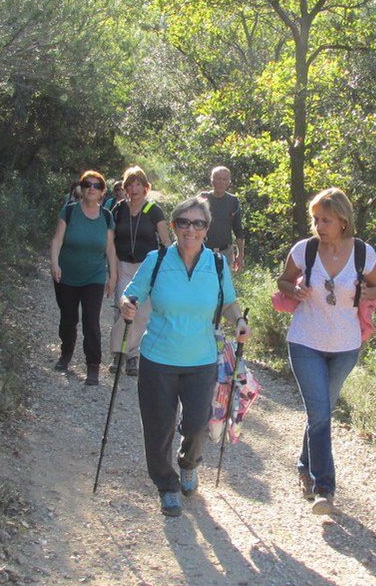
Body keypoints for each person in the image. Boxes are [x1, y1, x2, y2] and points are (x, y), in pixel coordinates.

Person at [120, 197, 252, 517]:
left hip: (201, 360)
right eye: (184, 222)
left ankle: (188, 463)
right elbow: (131, 293)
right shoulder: (158, 259)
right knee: (159, 427)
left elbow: (229, 303)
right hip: (158, 359)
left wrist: (240, 322)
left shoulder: (218, 265)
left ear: (207, 229)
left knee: (196, 426)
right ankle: (166, 484)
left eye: (198, 223)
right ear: (175, 225)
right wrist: (127, 304)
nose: (191, 229)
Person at [275, 187, 376, 515]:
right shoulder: (304, 250)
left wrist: (368, 289)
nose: (318, 226)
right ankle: (324, 487)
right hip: (305, 340)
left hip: (346, 347)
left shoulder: (364, 254)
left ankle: (303, 465)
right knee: (320, 414)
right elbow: (283, 282)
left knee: (320, 413)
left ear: (342, 220)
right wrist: (294, 289)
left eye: (325, 219)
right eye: (315, 219)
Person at [49, 170, 118, 386]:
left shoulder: (106, 217)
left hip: (94, 275)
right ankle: (66, 353)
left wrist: (113, 276)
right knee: (68, 319)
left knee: (91, 321)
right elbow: (57, 241)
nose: (91, 189)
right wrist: (54, 263)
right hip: (67, 273)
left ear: (102, 192)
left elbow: (109, 248)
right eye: (88, 185)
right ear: (81, 187)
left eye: (96, 186)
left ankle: (93, 365)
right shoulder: (69, 212)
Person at [109, 166, 171, 376]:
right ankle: (119, 353)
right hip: (123, 265)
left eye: (138, 184)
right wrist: (111, 271)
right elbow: (110, 241)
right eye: (130, 184)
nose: (134, 189)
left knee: (142, 313)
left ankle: (132, 356)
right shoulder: (118, 210)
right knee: (122, 308)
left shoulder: (153, 210)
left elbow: (165, 242)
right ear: (125, 187)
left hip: (147, 268)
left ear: (146, 188)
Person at [197, 166, 245, 272]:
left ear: (229, 182)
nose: (221, 182)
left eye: (224, 179)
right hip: (203, 250)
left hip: (225, 252)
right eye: (218, 179)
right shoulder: (202, 199)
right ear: (212, 181)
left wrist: (240, 255)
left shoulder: (233, 201)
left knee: (223, 285)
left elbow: (238, 230)